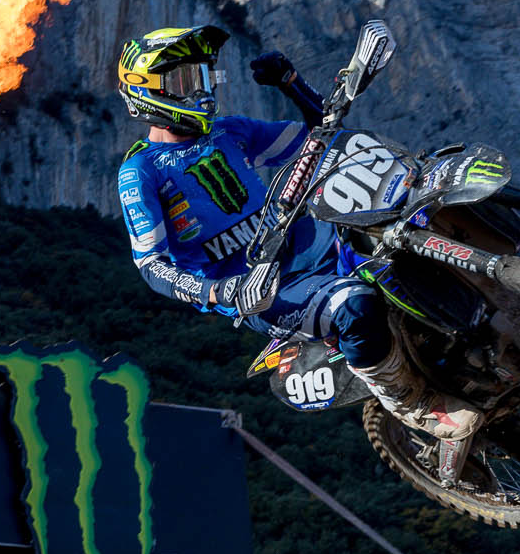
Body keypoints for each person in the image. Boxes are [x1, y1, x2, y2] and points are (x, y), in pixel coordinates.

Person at [115, 24, 482, 439]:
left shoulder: (228, 131)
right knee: (354, 306)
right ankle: (410, 402)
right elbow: (151, 264)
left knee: (401, 225)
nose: (199, 91)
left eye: (201, 77)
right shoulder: (140, 171)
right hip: (260, 287)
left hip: (307, 239)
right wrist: (221, 292)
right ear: (147, 91)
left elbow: (322, 138)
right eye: (184, 81)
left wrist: (292, 83)